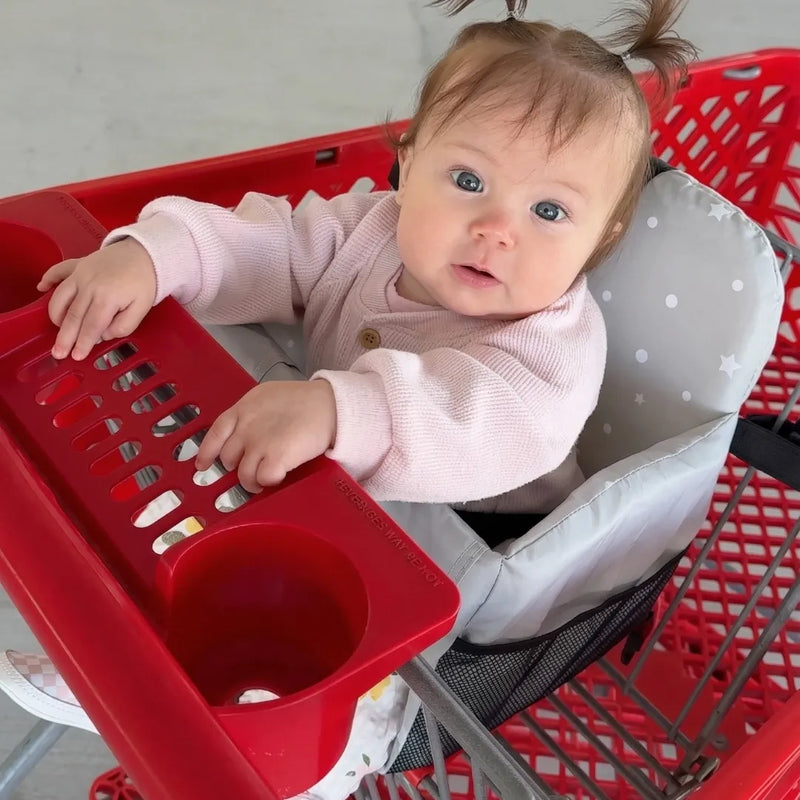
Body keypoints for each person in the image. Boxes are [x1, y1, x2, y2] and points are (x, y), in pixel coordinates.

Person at [1, 1, 697, 797]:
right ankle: (130, 654)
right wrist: (155, 257)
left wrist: (342, 411)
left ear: (601, 239)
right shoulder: (370, 231)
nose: (496, 228)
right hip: (327, 480)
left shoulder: (554, 346)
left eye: (549, 211)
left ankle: (319, 749)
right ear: (410, 160)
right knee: (191, 514)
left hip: (454, 545)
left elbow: (487, 417)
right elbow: (265, 242)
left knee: (353, 658)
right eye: (468, 181)